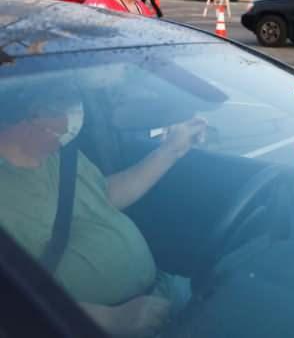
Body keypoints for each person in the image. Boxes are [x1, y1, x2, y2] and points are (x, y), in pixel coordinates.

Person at [0, 90, 205, 337]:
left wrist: (170, 151)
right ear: (22, 112)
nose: (71, 113)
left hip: (164, 295)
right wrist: (111, 319)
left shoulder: (59, 152)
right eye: (56, 102)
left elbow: (101, 197)